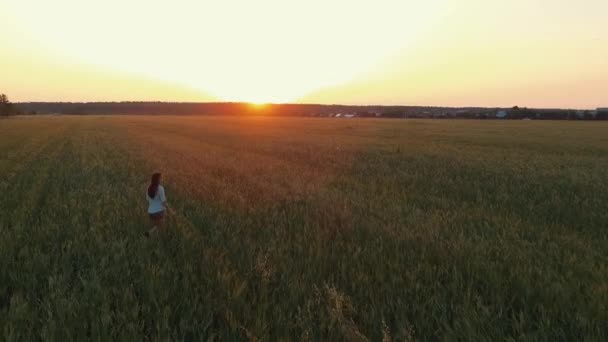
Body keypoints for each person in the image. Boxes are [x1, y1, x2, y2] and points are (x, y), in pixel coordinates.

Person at [145, 172, 169, 237]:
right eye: (161, 178)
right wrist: (168, 209)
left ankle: (150, 234)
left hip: (151, 212)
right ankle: (149, 233)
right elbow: (164, 202)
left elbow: (147, 199)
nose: (162, 180)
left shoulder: (148, 188)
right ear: (158, 179)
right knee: (161, 229)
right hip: (159, 212)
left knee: (157, 227)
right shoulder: (160, 188)